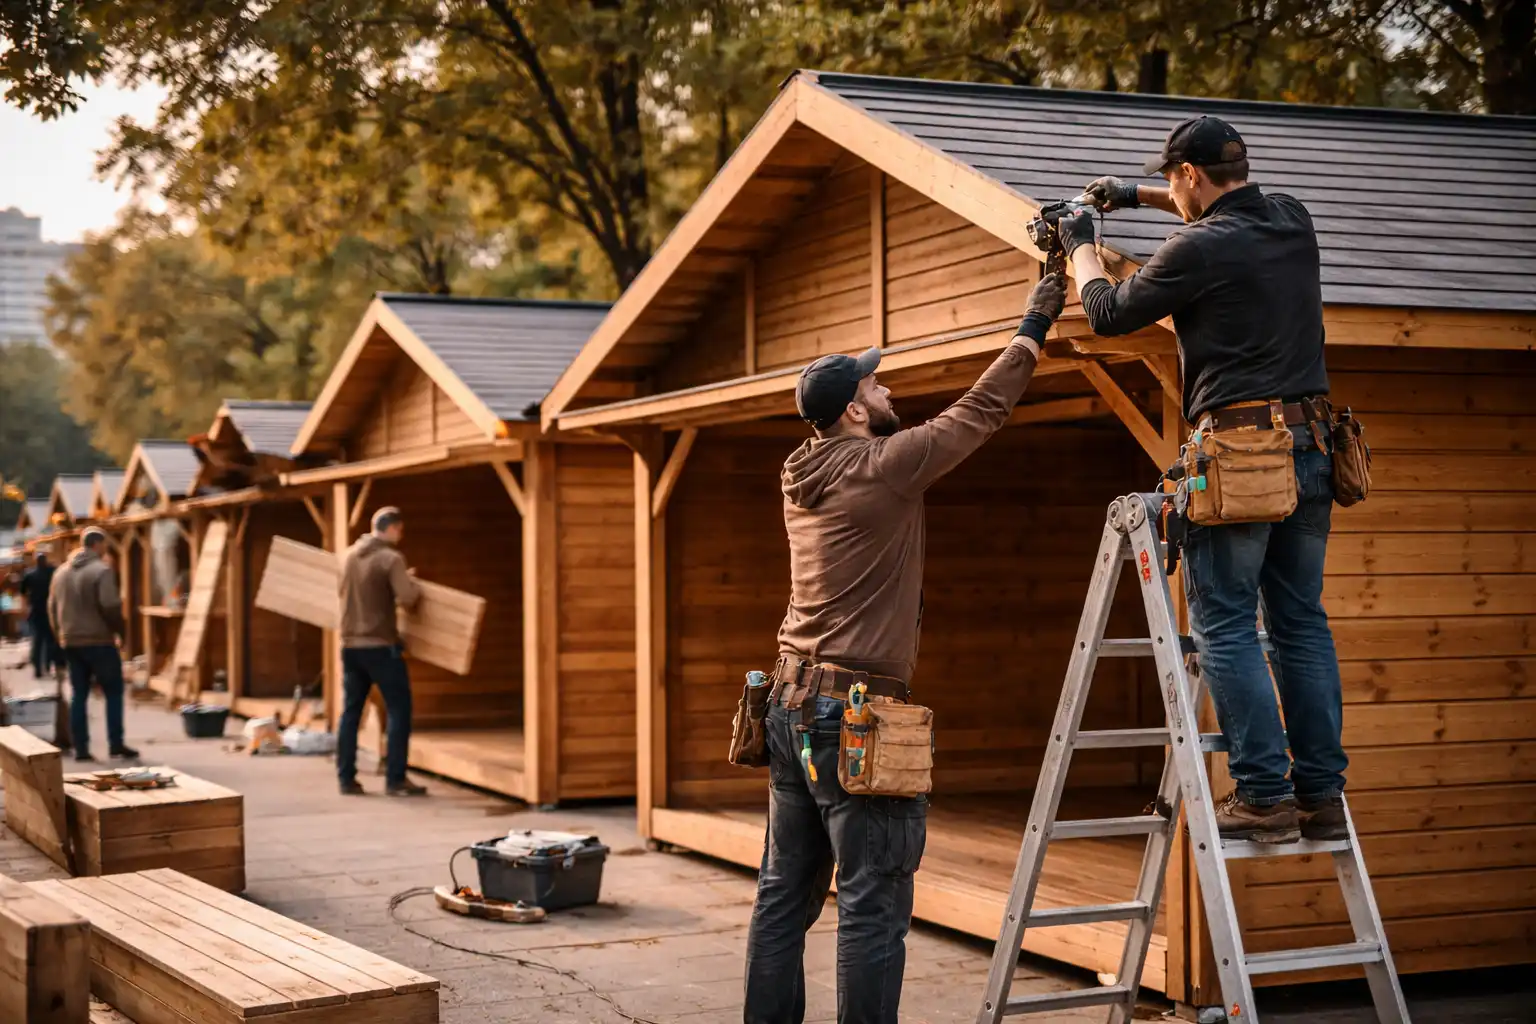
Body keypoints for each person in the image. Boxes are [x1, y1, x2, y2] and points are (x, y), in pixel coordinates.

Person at [742, 272, 1067, 1024]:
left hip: (789, 709)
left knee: (782, 899)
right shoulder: (882, 466)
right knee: (871, 904)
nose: (887, 389)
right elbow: (982, 411)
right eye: (875, 384)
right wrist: (1034, 323)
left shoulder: (802, 470)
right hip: (852, 712)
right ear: (854, 409)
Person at [1063, 115, 1345, 845]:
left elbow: (1106, 312)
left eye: (1173, 180)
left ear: (1189, 174)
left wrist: (1080, 246)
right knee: (1301, 624)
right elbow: (1218, 202)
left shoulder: (1197, 249)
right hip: (1313, 447)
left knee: (1224, 623)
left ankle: (1263, 795)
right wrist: (1133, 195)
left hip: (1240, 455)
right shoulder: (1292, 218)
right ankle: (1318, 795)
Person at [335, 506, 427, 797]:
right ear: (392, 528)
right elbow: (409, 598)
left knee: (350, 712)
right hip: (381, 647)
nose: (401, 535)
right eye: (400, 530)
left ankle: (346, 779)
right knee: (400, 709)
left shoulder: (348, 556)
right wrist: (411, 582)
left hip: (350, 647)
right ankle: (395, 779)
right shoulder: (391, 558)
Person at [48, 529, 137, 761]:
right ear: (97, 545)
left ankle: (81, 748)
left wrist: (61, 635)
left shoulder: (60, 573)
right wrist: (121, 632)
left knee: (79, 693)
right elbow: (110, 605)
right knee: (113, 691)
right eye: (105, 544)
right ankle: (115, 744)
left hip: (71, 642)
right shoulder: (101, 570)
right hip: (99, 641)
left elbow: (52, 608)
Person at [22, 552, 60, 679]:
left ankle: (38, 668)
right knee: (50, 640)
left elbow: (23, 592)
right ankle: (48, 665)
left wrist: (26, 608)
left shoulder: (30, 574)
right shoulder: (52, 572)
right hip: (50, 611)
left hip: (36, 612)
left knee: (37, 641)